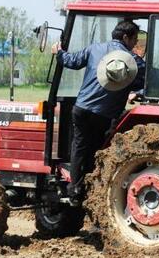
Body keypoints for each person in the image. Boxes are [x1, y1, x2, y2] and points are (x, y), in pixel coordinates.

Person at [52, 21, 145, 202]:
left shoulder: (94, 49)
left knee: (79, 146)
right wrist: (138, 93)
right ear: (126, 37)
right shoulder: (133, 61)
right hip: (106, 114)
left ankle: (75, 190)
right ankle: (94, 190)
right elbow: (148, 83)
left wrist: (59, 53)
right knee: (98, 150)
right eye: (135, 39)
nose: (135, 43)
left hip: (81, 109)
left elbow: (71, 61)